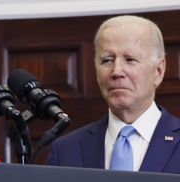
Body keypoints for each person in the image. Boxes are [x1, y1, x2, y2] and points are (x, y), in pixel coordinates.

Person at [47, 15, 180, 173]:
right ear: (96, 71)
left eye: (130, 59)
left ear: (158, 71)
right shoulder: (66, 151)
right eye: (107, 60)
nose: (116, 71)